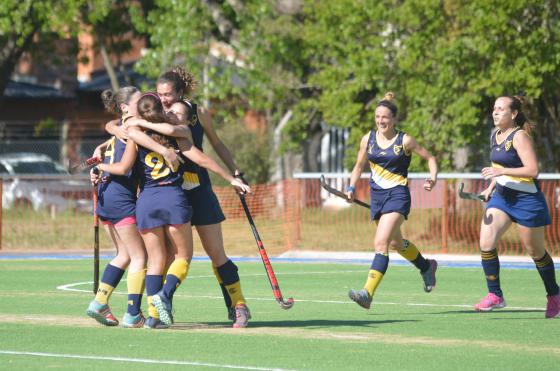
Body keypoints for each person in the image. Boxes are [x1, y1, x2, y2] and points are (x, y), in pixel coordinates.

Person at [96, 93, 251, 328]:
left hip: (147, 202)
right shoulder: (179, 134)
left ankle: (152, 317)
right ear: (161, 108)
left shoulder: (138, 134)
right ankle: (162, 297)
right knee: (182, 257)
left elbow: (124, 163)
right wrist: (230, 178)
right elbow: (204, 159)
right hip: (172, 198)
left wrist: (101, 165)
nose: (170, 109)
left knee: (156, 260)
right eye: (165, 104)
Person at [152, 67, 251, 325]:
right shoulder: (152, 114)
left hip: (199, 189)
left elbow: (216, 144)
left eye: (168, 94)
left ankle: (238, 305)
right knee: (170, 256)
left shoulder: (197, 112)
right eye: (160, 94)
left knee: (216, 253)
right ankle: (159, 311)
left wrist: (235, 172)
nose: (163, 99)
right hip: (170, 193)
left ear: (181, 93)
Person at [345, 92, 439, 310]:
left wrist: (432, 178)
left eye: (385, 117)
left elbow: (430, 158)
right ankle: (426, 267)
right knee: (396, 243)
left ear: (394, 119)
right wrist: (350, 187)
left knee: (381, 243)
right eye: (377, 117)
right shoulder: (367, 139)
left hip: (398, 195)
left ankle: (367, 293)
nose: (380, 121)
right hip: (377, 197)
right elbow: (358, 166)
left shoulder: (404, 140)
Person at [474, 95, 559, 318]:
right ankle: (495, 295)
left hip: (527, 201)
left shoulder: (519, 136)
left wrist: (502, 172)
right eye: (494, 108)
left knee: (535, 251)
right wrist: (490, 187)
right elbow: (498, 167)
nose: (495, 112)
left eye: (501, 109)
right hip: (502, 197)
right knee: (486, 241)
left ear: (513, 114)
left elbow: (532, 170)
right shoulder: (495, 135)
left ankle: (554, 295)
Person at [86, 86, 147, 328]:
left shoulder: (119, 130)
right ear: (124, 108)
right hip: (120, 198)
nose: (144, 104)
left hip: (106, 196)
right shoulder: (131, 130)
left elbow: (111, 135)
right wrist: (99, 167)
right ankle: (133, 314)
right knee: (140, 256)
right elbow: (122, 167)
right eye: (139, 101)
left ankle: (99, 302)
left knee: (123, 255)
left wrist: (100, 153)